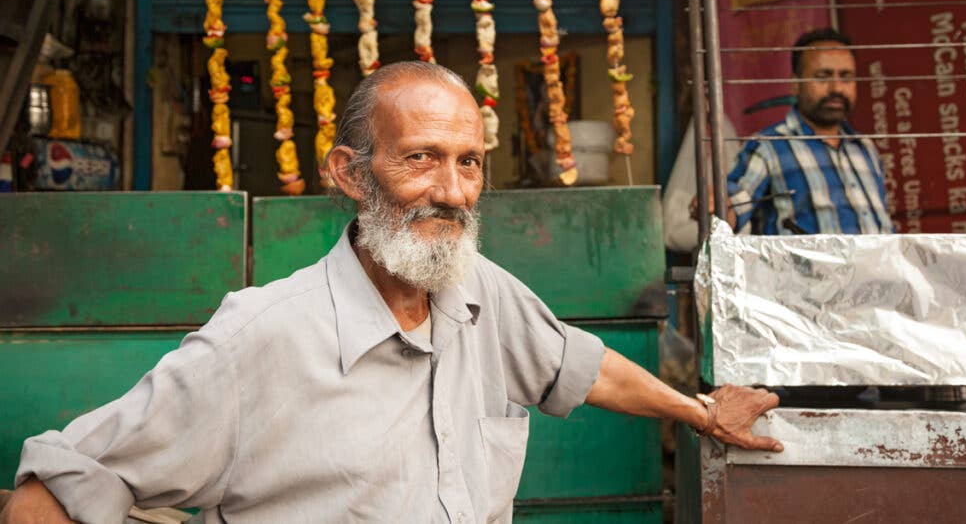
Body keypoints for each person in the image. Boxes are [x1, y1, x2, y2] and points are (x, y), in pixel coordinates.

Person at [2, 62, 781, 524]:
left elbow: (582, 366)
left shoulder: (481, 292)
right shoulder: (259, 337)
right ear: (349, 172)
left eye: (469, 163)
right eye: (421, 159)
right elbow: (53, 482)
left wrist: (702, 412)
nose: (451, 191)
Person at [694, 28, 892, 235]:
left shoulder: (865, 148)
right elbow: (735, 203)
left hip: (879, 267)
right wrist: (717, 206)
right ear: (795, 84)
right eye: (823, 76)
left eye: (846, 77)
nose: (837, 88)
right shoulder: (769, 146)